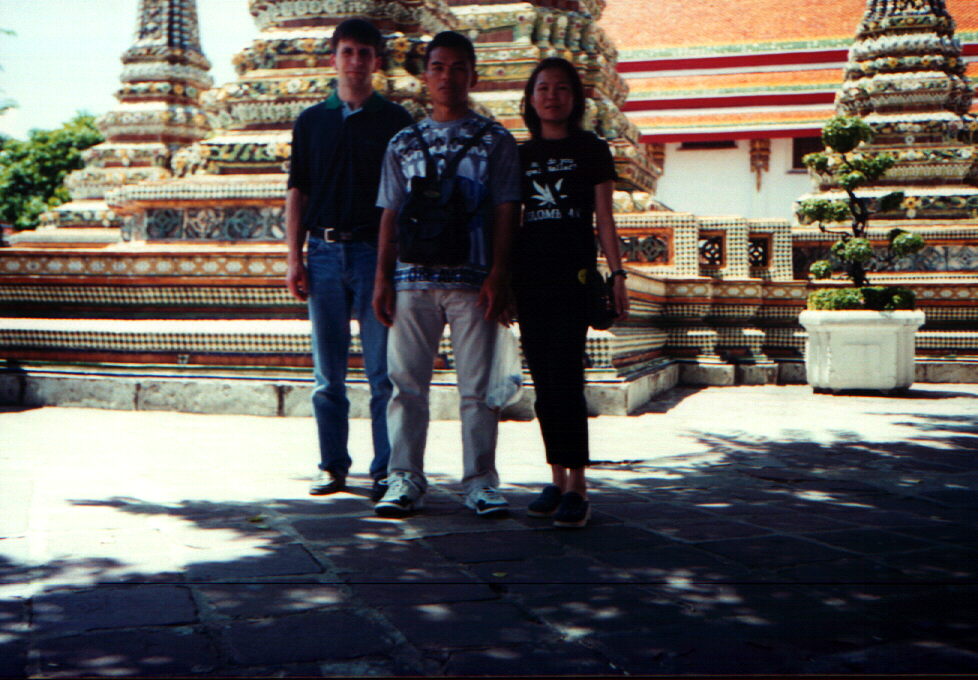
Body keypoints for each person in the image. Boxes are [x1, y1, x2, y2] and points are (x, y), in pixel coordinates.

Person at [372, 30, 520, 518]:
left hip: (473, 281)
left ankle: (479, 481)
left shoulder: (496, 140)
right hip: (411, 281)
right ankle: (404, 478)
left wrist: (499, 274)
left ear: (473, 76)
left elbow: (507, 209)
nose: (447, 77)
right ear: (425, 75)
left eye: (458, 68)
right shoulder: (402, 143)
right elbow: (390, 213)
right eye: (438, 67)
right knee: (406, 386)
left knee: (477, 389)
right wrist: (382, 280)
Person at [285, 18, 414, 501]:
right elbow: (297, 191)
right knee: (328, 375)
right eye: (347, 52)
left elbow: (404, 198)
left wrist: (391, 265)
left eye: (364, 52)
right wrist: (293, 258)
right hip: (321, 254)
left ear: (376, 61)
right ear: (333, 58)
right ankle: (332, 465)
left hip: (373, 255)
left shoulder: (396, 121)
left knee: (383, 373)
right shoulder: (311, 121)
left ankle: (385, 469)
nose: (355, 61)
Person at [514, 57, 629, 528]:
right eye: (543, 88)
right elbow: (511, 221)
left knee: (566, 378)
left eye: (562, 88)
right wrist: (502, 281)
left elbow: (605, 219)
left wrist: (618, 275)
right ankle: (556, 479)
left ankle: (578, 485)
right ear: (530, 98)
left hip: (572, 278)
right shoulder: (520, 156)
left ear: (575, 98)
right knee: (543, 384)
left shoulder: (591, 149)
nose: (552, 96)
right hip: (530, 279)